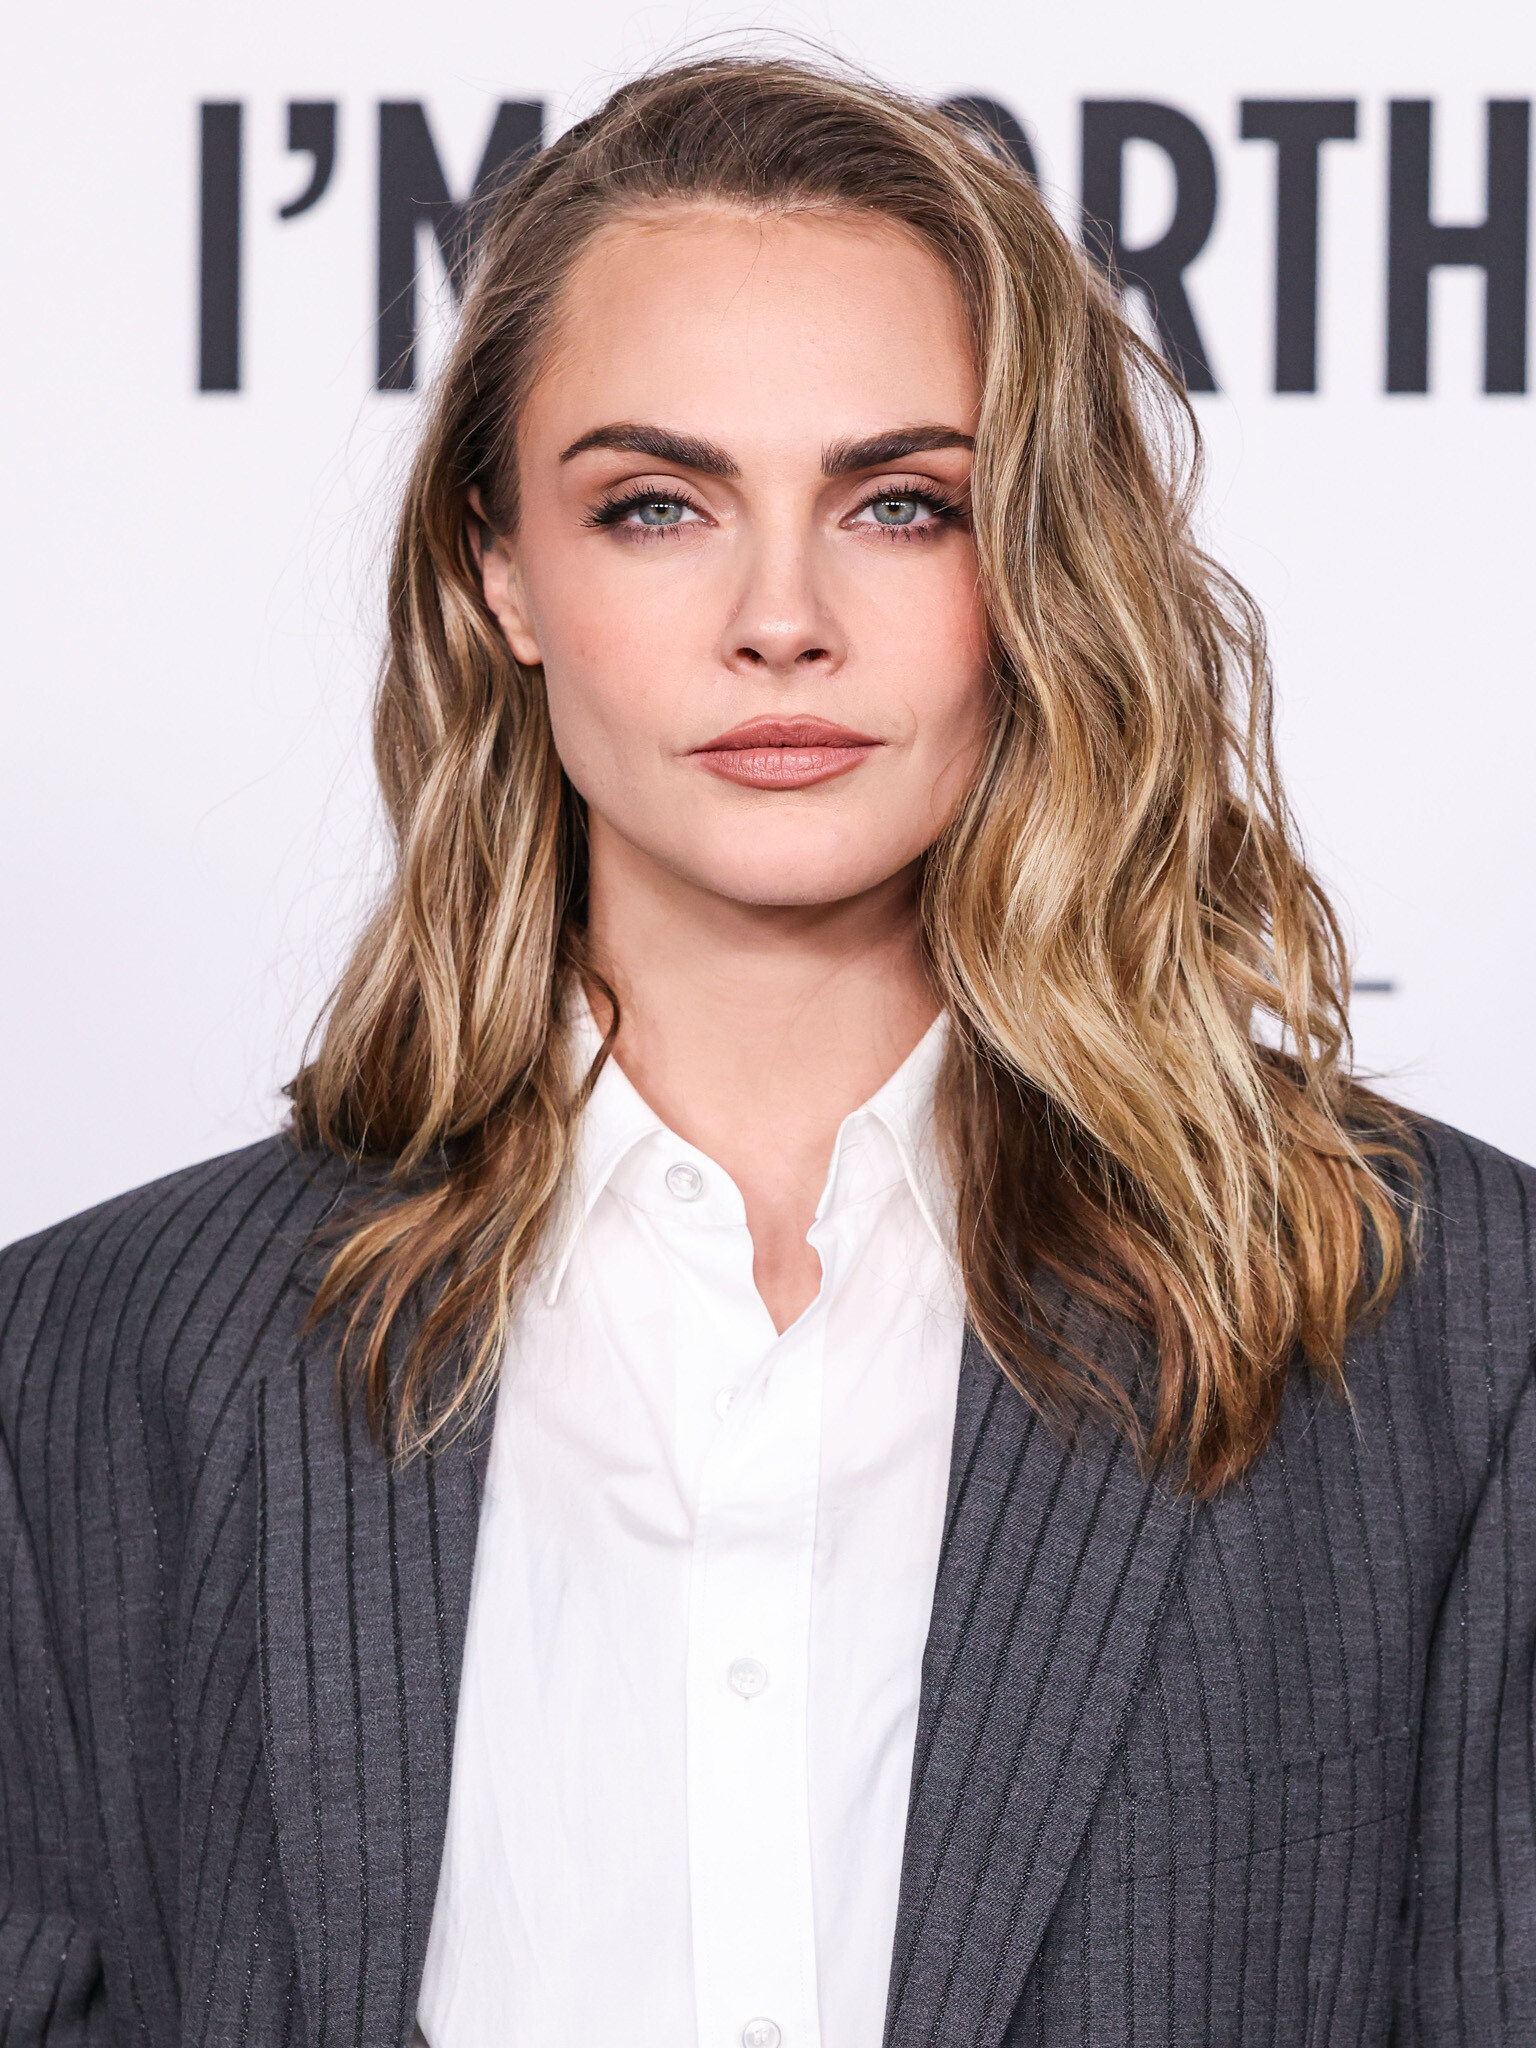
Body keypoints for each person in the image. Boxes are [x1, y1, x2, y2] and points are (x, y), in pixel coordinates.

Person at [1, 54, 1531, 2048]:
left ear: (1035, 565)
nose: (782, 618)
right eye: (656, 504)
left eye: (901, 505)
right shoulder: (94, 1367)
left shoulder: (1451, 1325)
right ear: (497, 569)